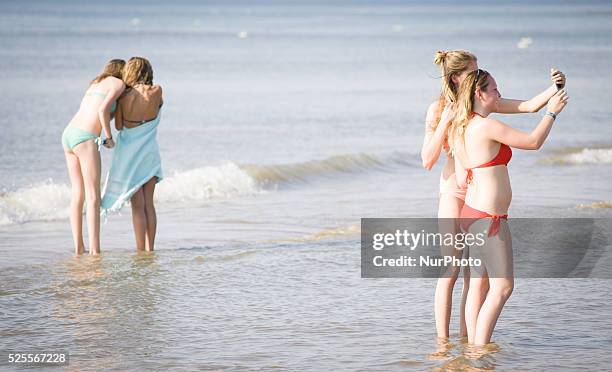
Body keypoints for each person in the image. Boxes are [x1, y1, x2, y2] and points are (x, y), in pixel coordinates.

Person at [422, 50, 565, 339]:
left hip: (476, 194)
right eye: (473, 70)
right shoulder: (442, 109)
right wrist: (444, 123)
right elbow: (427, 159)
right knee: (451, 268)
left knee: (477, 280)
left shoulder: (480, 108)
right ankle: (442, 342)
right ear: (456, 78)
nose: (479, 73)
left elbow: (526, 106)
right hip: (454, 191)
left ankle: (468, 338)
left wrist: (555, 88)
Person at [62, 59, 126, 255]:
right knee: (93, 196)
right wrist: (108, 137)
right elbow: (102, 110)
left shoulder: (96, 83)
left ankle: (78, 247)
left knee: (78, 194)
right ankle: (95, 251)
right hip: (86, 137)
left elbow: (97, 108)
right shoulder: (119, 83)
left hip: (68, 134)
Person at [101, 57, 163, 252]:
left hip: (130, 157)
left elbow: (119, 126)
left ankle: (139, 250)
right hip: (150, 154)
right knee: (149, 205)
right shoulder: (158, 91)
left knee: (137, 206)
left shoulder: (124, 97)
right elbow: (159, 107)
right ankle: (150, 249)